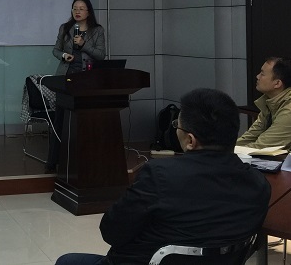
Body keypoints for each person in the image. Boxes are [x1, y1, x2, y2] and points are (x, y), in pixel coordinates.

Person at [55, 88, 271, 265]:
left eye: (177, 126)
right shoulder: (258, 184)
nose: (175, 130)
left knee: (67, 261)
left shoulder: (159, 176)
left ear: (190, 141)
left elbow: (111, 231)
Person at [44, 0, 106, 172]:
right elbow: (56, 50)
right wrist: (64, 55)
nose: (77, 11)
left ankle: (84, 159)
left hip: (87, 79)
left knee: (85, 120)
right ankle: (53, 161)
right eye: (74, 8)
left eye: (81, 8)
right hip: (66, 77)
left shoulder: (97, 30)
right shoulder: (65, 28)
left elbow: (101, 55)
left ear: (88, 12)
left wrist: (84, 44)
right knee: (60, 119)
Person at [237, 56, 291, 149]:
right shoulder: (270, 103)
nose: (257, 77)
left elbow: (261, 147)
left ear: (277, 83)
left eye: (262, 74)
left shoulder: (289, 110)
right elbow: (249, 137)